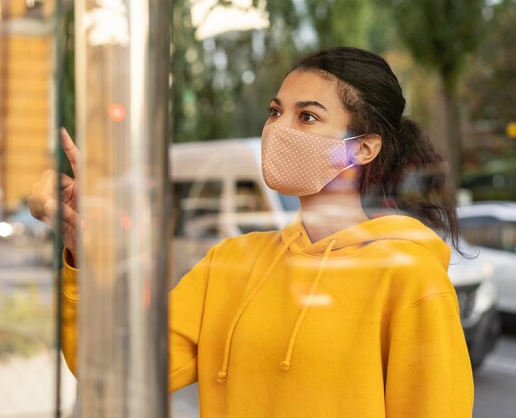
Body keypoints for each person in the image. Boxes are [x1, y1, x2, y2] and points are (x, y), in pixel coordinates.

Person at [29, 47, 474, 417]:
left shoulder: (408, 274)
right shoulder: (232, 260)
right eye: (275, 111)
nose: (277, 129)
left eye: (308, 117)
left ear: (363, 148)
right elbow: (114, 368)